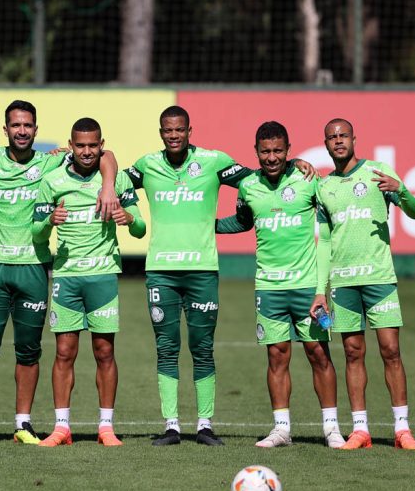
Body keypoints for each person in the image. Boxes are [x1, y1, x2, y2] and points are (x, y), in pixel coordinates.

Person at [0, 100, 119, 445]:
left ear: (35, 129)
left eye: (27, 125)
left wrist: (108, 186)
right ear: (5, 130)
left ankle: (23, 424)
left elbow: (105, 155)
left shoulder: (51, 162)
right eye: (15, 125)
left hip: (33, 268)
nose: (21, 131)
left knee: (29, 351)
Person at [124, 105, 316, 447]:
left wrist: (294, 162)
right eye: (167, 131)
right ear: (160, 133)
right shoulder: (146, 165)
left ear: (189, 131)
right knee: (166, 348)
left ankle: (204, 426)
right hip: (160, 273)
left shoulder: (214, 162)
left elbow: (260, 176)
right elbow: (113, 180)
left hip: (202, 272)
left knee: (202, 349)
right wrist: (130, 211)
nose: (173, 136)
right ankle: (171, 426)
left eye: (179, 130)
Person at [215, 121, 343, 449]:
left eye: (278, 151)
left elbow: (332, 216)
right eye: (265, 151)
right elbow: (242, 222)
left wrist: (322, 288)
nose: (271, 157)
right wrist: (207, 226)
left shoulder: (306, 179)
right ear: (255, 152)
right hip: (268, 289)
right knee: (277, 356)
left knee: (319, 354)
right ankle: (281, 429)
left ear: (288, 150)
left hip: (307, 288)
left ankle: (331, 428)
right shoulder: (248, 187)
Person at [311, 118, 415, 450]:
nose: (338, 141)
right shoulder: (324, 187)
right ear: (326, 144)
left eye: (343, 135)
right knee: (352, 352)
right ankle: (360, 430)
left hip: (380, 279)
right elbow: (325, 242)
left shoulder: (378, 173)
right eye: (332, 137)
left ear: (354, 139)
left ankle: (402, 429)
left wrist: (400, 191)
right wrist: (321, 289)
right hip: (345, 285)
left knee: (390, 351)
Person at [32, 118, 145, 447]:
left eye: (92, 146)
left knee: (105, 352)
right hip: (66, 277)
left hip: (103, 276)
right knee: (64, 352)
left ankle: (106, 427)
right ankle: (61, 427)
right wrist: (49, 222)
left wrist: (130, 219)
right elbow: (35, 230)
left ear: (101, 145)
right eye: (80, 146)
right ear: (70, 145)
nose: (86, 151)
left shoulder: (117, 179)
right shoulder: (52, 181)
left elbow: (140, 229)